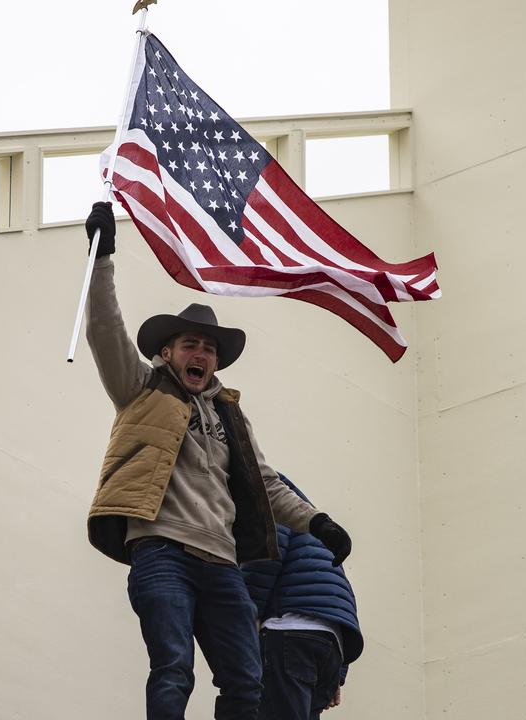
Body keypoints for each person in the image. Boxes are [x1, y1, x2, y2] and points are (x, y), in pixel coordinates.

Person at [81, 202, 354, 720]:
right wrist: (102, 259)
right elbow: (104, 329)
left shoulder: (231, 414)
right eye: (191, 344)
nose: (201, 354)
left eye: (209, 348)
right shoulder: (140, 389)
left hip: (223, 565)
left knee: (246, 682)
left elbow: (264, 484)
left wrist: (317, 522)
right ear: (168, 352)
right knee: (173, 667)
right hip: (162, 550)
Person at [242, 475, 362, 720]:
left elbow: (266, 556)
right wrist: (338, 673)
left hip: (288, 633)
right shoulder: (317, 533)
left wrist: (250, 613)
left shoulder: (274, 507)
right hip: (330, 644)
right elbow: (339, 600)